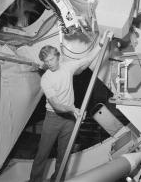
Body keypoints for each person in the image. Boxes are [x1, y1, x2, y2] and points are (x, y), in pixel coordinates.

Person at [28, 32, 109, 182]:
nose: (50, 63)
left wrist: (100, 45)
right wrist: (73, 109)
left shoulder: (68, 67)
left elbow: (87, 59)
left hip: (69, 119)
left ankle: (57, 179)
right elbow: (57, 106)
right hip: (53, 118)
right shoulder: (46, 79)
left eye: (52, 59)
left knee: (64, 155)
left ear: (58, 57)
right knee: (42, 154)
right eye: (47, 61)